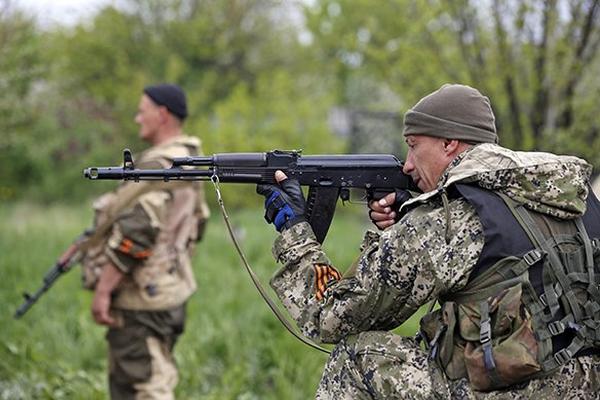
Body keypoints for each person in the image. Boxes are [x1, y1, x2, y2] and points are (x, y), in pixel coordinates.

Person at [256, 84, 600, 399]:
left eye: (413, 146)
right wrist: (402, 226)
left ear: (449, 143)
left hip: (517, 390)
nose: (407, 165)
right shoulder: (578, 201)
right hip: (586, 383)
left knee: (357, 356)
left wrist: (296, 231)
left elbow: (331, 317)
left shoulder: (448, 219)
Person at [81, 83, 210, 399]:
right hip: (170, 287)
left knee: (147, 385)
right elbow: (199, 222)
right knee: (146, 375)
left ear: (162, 114)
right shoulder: (187, 159)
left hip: (142, 294)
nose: (137, 118)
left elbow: (137, 233)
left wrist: (103, 289)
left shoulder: (158, 165)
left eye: (142, 111)